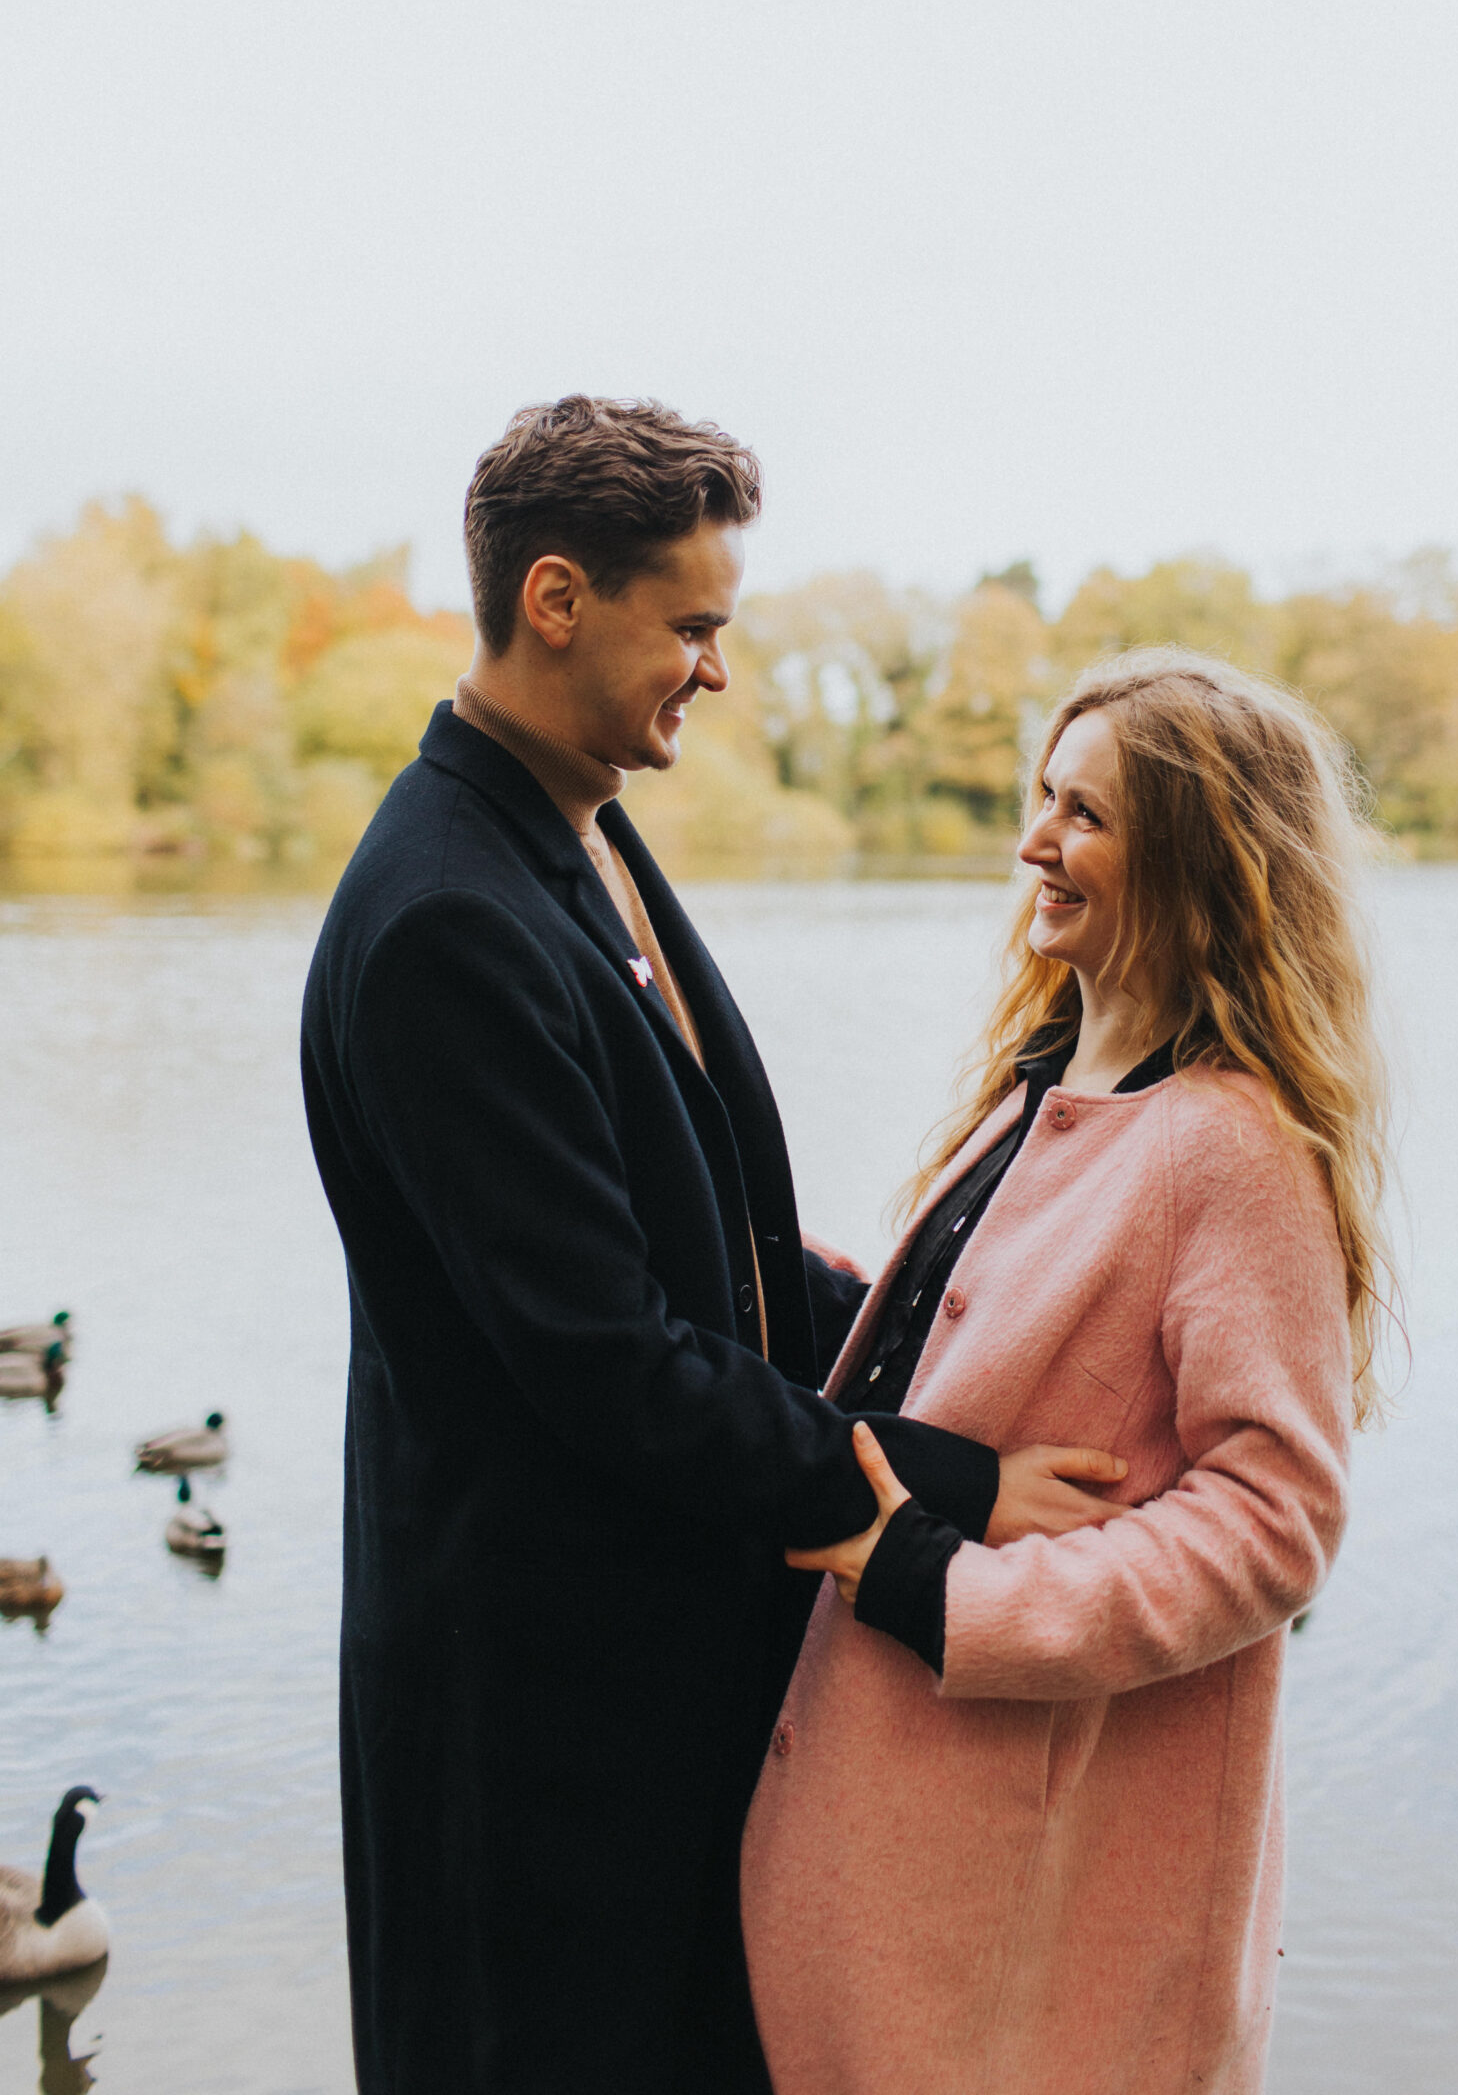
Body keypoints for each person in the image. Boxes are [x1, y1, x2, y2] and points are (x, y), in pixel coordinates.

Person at [300, 395, 1127, 2095]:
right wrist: (943, 1483)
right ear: (553, 598)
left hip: (654, 1675)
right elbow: (611, 1363)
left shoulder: (577, 826)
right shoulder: (450, 917)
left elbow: (730, 1251)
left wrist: (958, 1312)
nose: (717, 669)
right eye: (693, 626)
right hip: (534, 1716)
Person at [742, 649, 1396, 2095]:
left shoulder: (1229, 1147)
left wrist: (933, 1584)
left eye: (1083, 813)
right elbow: (981, 1344)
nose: (1033, 840)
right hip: (897, 1847)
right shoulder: (1054, 1074)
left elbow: (1275, 1521)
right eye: (1045, 797)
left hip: (1029, 1912)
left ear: (1195, 857)